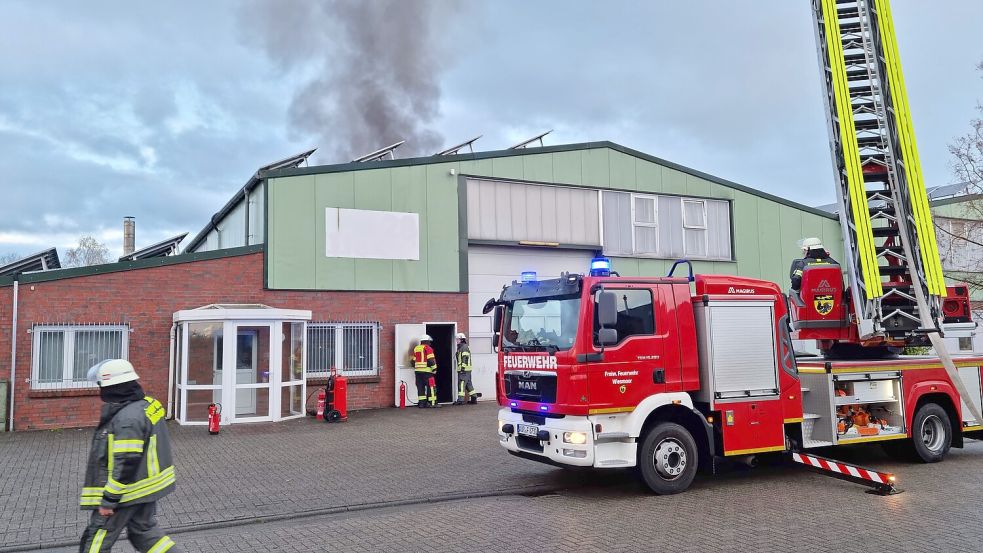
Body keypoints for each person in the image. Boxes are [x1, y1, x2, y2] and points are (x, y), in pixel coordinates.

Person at [78, 359, 180, 553]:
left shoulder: (127, 419)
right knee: (145, 534)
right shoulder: (148, 404)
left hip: (125, 493)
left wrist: (109, 500)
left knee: (96, 540)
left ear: (110, 387)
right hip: (146, 489)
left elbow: (125, 462)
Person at [412, 335, 438, 408]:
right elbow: (431, 360)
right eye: (429, 342)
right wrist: (434, 368)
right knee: (431, 387)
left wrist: (417, 367)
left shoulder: (416, 348)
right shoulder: (428, 348)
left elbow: (413, 361)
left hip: (418, 372)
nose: (430, 343)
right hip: (427, 372)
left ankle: (422, 403)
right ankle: (433, 403)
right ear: (427, 341)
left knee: (420, 387)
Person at [453, 333, 476, 405]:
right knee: (468, 384)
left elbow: (465, 357)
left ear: (461, 340)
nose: (456, 341)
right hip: (466, 369)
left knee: (462, 383)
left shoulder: (464, 347)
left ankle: (460, 400)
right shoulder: (461, 347)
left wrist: (462, 367)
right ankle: (474, 397)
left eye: (457, 339)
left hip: (464, 369)